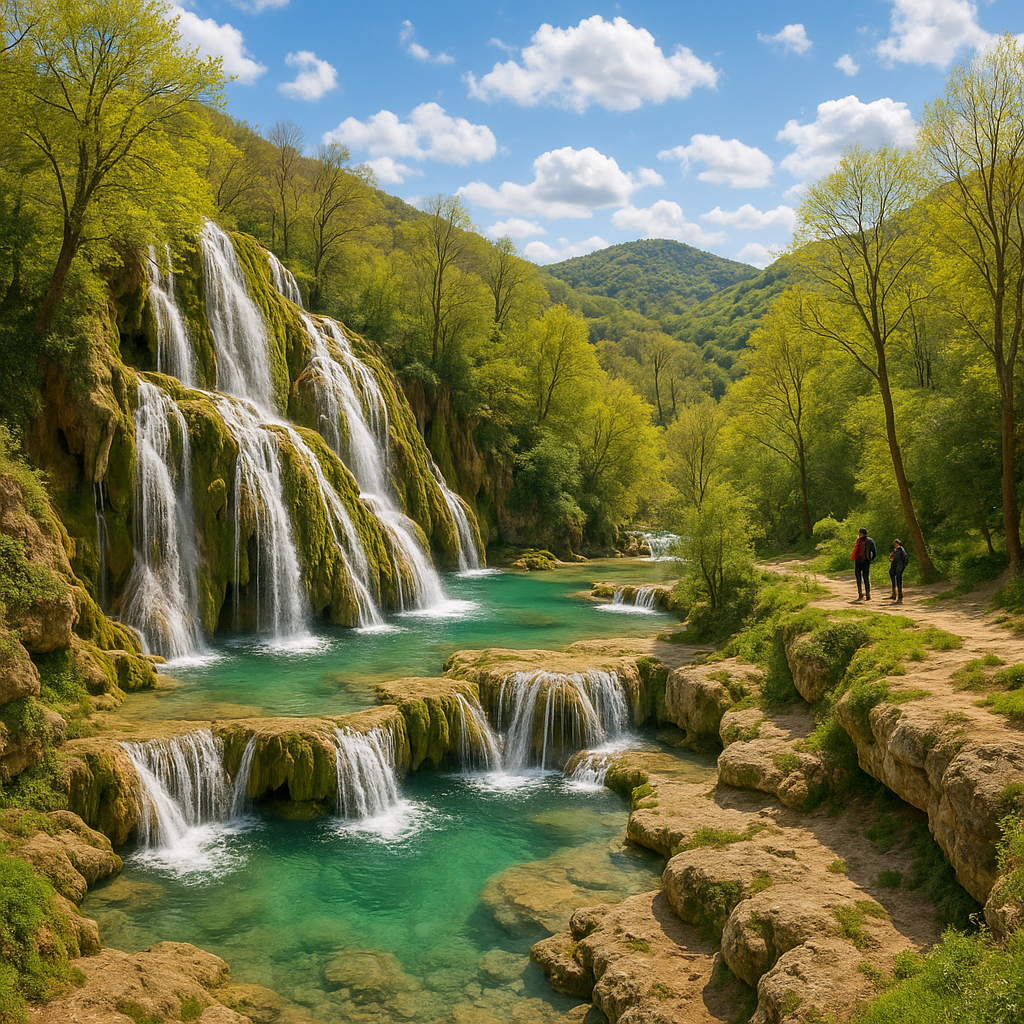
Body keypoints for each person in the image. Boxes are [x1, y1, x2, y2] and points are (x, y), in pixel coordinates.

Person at [850, 526, 877, 601]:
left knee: (858, 577)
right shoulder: (870, 540)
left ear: (861, 533)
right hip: (865, 561)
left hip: (858, 560)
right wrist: (871, 559)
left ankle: (860, 594)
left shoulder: (858, 540)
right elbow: (874, 552)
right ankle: (868, 594)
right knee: (866, 577)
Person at [889, 538, 909, 603]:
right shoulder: (897, 550)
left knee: (898, 579)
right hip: (896, 567)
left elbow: (900, 559)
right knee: (893, 576)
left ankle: (899, 596)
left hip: (899, 567)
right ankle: (894, 593)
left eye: (895, 544)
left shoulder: (899, 550)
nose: (895, 545)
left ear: (898, 544)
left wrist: (902, 566)